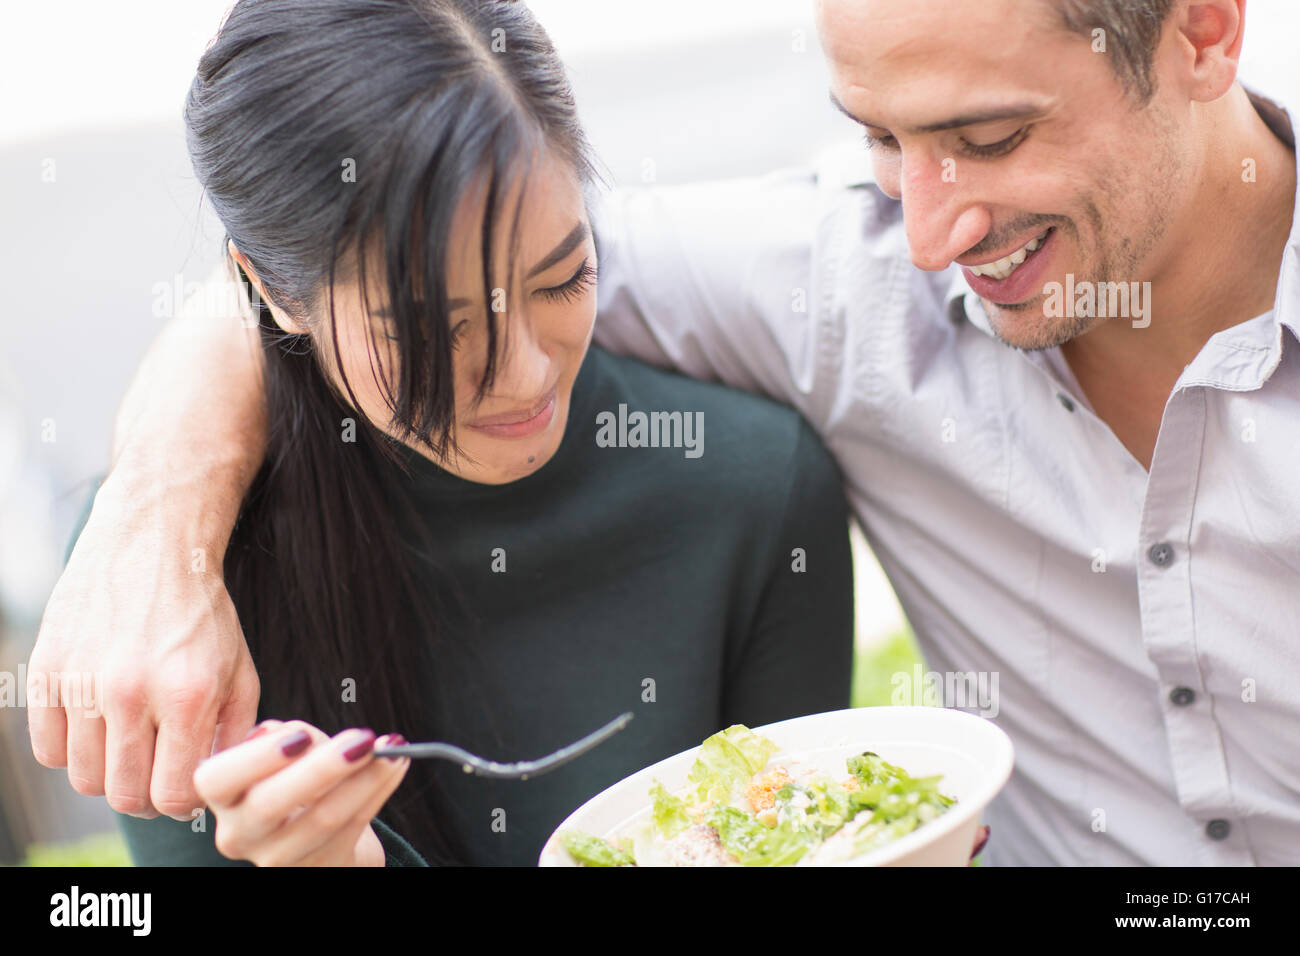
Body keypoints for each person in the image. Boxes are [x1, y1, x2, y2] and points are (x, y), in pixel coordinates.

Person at [32, 0, 1299, 866]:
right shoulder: (826, 282)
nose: (927, 238)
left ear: (1202, 29)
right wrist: (150, 521)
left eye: (990, 139)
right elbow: (341, 262)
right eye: (878, 140)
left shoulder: (739, 460)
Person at [38, 0, 856, 866]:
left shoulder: (754, 489)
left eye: (562, 277)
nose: (528, 375)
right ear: (271, 293)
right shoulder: (158, 597)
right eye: (432, 327)